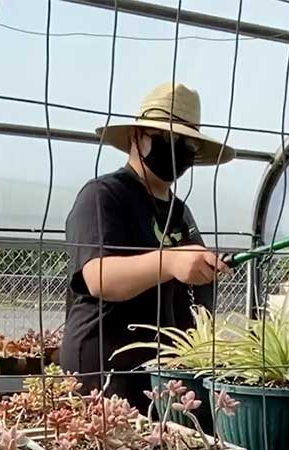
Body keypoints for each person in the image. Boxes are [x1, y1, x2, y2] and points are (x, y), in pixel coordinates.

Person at [59, 82, 235, 408]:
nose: (180, 151)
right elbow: (97, 277)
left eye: (189, 145)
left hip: (163, 378)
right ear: (137, 137)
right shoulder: (104, 195)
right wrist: (170, 262)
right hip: (105, 373)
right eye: (170, 139)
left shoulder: (181, 213)